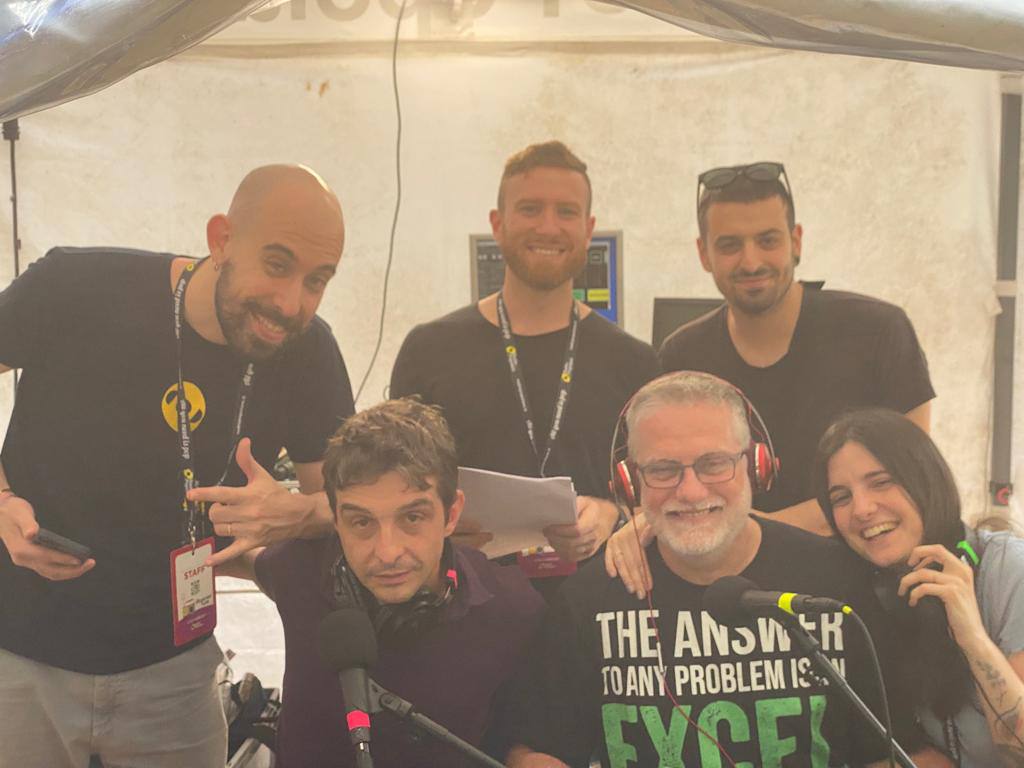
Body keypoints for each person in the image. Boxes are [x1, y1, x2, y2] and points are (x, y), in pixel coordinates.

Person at [0, 164, 354, 767]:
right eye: (276, 264)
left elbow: (350, 506)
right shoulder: (76, 287)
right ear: (221, 239)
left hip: (176, 675)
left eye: (317, 281)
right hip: (21, 660)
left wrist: (296, 514)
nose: (290, 302)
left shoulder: (308, 351)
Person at [507, 371, 930, 767]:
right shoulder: (588, 601)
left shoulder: (838, 582)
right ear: (630, 481)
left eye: (714, 463)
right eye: (662, 470)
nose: (691, 492)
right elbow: (535, 749)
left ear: (756, 466)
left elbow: (909, 753)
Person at [390, 140, 658, 592]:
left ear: (588, 229)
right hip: (463, 602)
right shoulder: (429, 349)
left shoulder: (635, 362)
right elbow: (394, 485)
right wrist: (439, 523)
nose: (548, 227)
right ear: (498, 224)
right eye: (530, 209)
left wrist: (612, 513)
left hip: (597, 603)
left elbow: (662, 493)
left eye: (566, 212)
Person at [220, 398, 545, 767]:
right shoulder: (300, 569)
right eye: (362, 522)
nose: (387, 552)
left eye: (412, 518)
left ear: (451, 514)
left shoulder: (513, 608)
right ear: (335, 521)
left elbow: (522, 736)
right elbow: (223, 559)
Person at [656, 161, 933, 536]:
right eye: (730, 245)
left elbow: (914, 476)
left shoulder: (879, 331)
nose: (751, 261)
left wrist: (760, 533)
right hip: (730, 567)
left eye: (767, 240)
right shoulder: (682, 357)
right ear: (703, 254)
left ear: (796, 241)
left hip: (858, 563)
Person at [815, 408, 1024, 767]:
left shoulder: (1008, 569)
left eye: (881, 482)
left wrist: (972, 635)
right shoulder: (873, 593)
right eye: (841, 497)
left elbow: (1019, 746)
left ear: (926, 479)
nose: (861, 509)